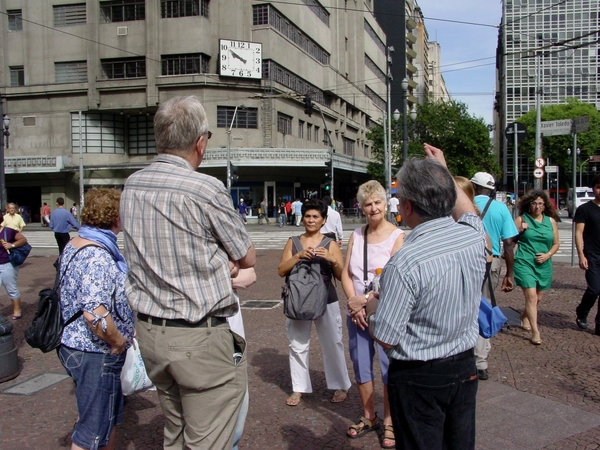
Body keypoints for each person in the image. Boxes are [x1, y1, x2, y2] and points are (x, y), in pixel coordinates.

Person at [120, 95, 255, 449]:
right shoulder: (205, 188)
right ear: (199, 142)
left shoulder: (132, 184)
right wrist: (224, 261)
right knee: (208, 439)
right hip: (197, 337)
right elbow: (247, 255)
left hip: (150, 333)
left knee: (176, 431)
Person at [367, 143, 487, 450]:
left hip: (418, 375)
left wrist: (370, 307)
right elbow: (469, 212)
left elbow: (388, 336)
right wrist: (443, 170)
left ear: (406, 206)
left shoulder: (405, 262)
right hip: (463, 366)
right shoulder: (472, 237)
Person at [57, 188, 134, 450]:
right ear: (115, 217)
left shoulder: (76, 243)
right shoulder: (97, 254)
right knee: (92, 431)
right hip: (94, 351)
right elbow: (95, 312)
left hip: (76, 345)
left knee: (104, 422)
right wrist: (116, 341)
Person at [341, 180, 405, 448]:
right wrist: (354, 303)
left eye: (377, 202)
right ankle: (369, 416)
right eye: (368, 204)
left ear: (385, 204)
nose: (373, 208)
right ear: (362, 207)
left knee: (389, 367)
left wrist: (364, 300)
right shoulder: (356, 235)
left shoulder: (397, 235)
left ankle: (390, 420)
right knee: (361, 364)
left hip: (385, 312)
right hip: (358, 314)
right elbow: (346, 273)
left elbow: (396, 277)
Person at [278, 199, 351, 407]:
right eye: (308, 216)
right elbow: (281, 270)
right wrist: (299, 256)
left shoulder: (330, 243)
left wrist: (331, 258)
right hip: (299, 299)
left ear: (323, 220)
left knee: (333, 342)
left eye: (315, 217)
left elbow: (340, 272)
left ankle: (340, 384)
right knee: (298, 343)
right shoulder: (293, 241)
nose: (311, 220)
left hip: (326, 297)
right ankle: (298, 388)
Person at [470, 171, 517, 380]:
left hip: (467, 259)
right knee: (485, 305)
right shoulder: (501, 208)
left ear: (473, 186)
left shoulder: (464, 205)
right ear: (491, 189)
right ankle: (480, 361)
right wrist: (510, 273)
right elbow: (508, 243)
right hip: (492, 262)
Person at [514, 189, 560, 345]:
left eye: (540, 203)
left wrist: (548, 255)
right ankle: (535, 331)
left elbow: (556, 243)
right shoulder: (521, 219)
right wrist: (520, 231)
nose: (537, 206)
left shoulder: (551, 222)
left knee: (538, 298)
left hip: (544, 263)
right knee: (531, 296)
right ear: (529, 204)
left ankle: (524, 315)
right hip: (524, 261)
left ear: (545, 205)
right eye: (534, 203)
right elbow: (510, 240)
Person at [574, 175, 600, 333]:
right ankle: (582, 312)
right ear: (593, 188)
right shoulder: (585, 209)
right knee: (595, 289)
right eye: (598, 186)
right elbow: (578, 233)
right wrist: (581, 255)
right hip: (593, 254)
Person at [0, 223, 28, 320]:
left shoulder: (7, 231)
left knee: (11, 289)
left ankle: (17, 310)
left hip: (7, 264)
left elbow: (23, 240)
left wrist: (11, 245)